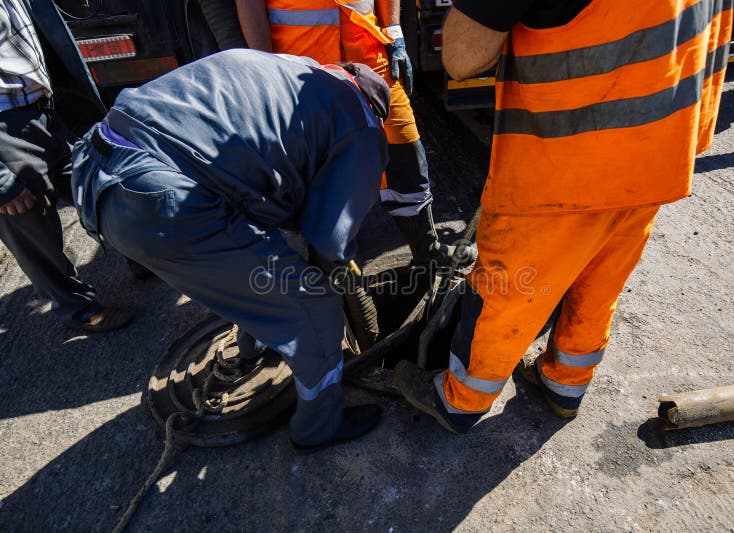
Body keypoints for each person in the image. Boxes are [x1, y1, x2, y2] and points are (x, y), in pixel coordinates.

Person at [395, 0, 734, 432]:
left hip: (567, 160)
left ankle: (461, 400)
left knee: (512, 290)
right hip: (661, 145)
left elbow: (461, 58)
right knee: (599, 277)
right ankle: (565, 384)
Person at [71, 50, 390, 451]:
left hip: (94, 165)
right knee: (314, 306)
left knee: (251, 272)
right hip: (159, 199)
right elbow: (329, 239)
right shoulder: (361, 123)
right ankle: (318, 429)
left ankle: (252, 349)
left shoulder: (292, 68)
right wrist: (340, 270)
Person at [234, 0, 475, 268]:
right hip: (302, 66)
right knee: (321, 173)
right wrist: (265, 63)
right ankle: (331, 270)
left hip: (369, 55)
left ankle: (427, 250)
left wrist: (394, 29)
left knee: (405, 149)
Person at [0, 0, 132, 332]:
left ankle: (141, 251)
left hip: (48, 105)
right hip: (5, 127)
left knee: (95, 183)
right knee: (31, 229)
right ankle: (79, 310)